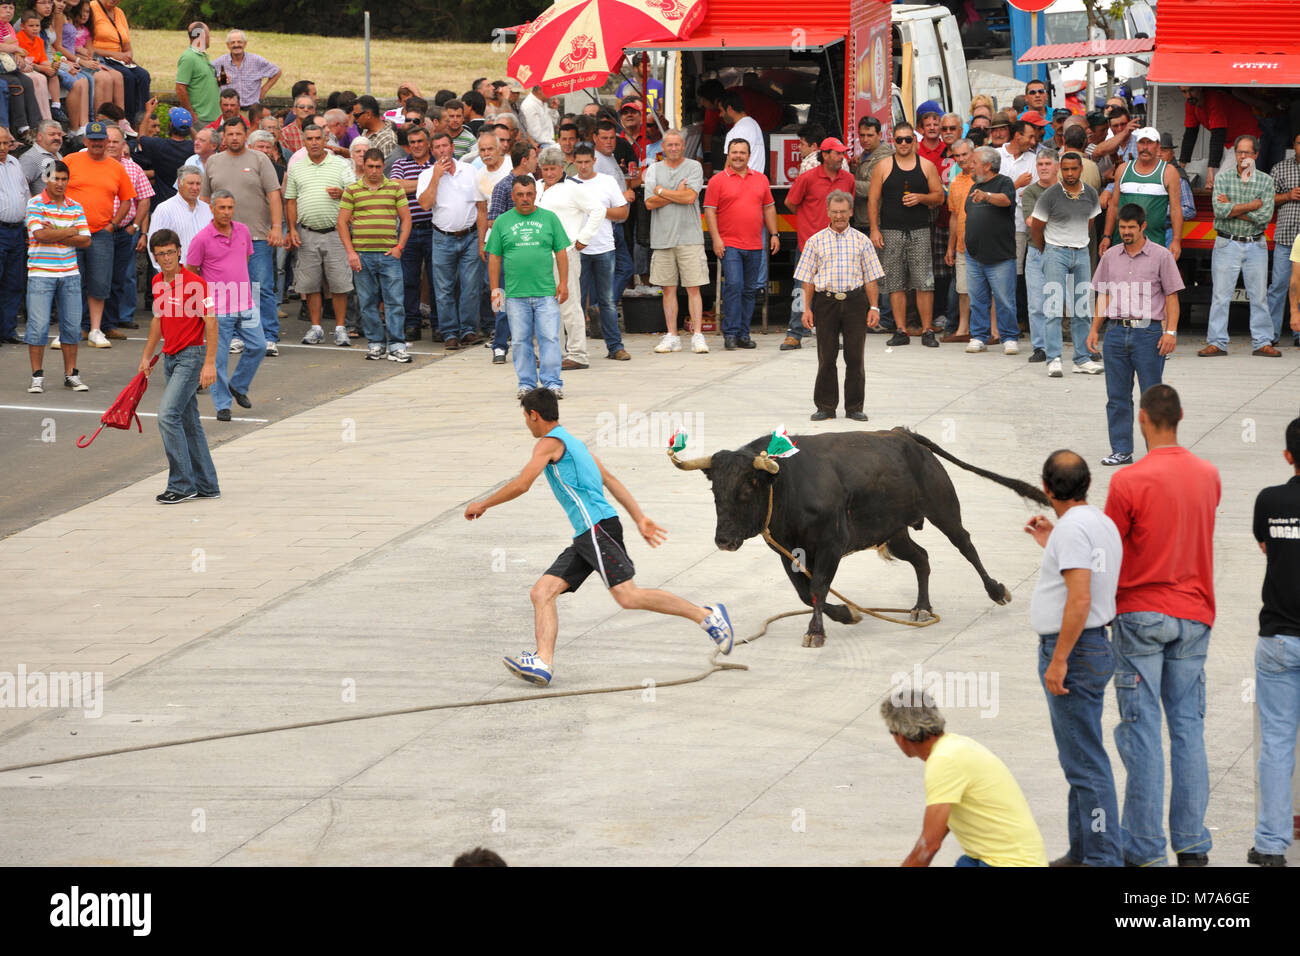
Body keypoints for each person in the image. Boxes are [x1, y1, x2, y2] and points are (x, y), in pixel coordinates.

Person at [463, 387, 734, 687]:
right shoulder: (576, 444)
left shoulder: (549, 443)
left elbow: (523, 483)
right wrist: (639, 518)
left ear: (534, 415)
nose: (526, 423)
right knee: (542, 592)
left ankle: (707, 616)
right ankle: (543, 662)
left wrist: (484, 503)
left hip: (597, 530)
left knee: (629, 596)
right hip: (590, 532)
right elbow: (611, 481)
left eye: (526, 418)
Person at [1102, 384, 1219, 867]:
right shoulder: (1208, 476)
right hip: (1194, 614)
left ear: (1143, 419)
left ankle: (1145, 849)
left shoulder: (1128, 482)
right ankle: (1191, 843)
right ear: (1182, 416)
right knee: (1187, 728)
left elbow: (1108, 553)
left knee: (1142, 729)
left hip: (1140, 614)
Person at [1023, 450, 1123, 867]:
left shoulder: (1072, 531)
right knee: (1079, 758)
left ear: (1046, 489)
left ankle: (1101, 857)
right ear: (1089, 483)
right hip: (1094, 647)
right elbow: (1087, 578)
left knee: (1086, 764)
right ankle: (1082, 850)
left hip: (1076, 651)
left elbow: (1080, 599)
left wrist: (1059, 659)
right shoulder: (1097, 524)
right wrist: (1052, 544)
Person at [882, 690, 1047, 866]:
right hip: (992, 858)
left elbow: (929, 845)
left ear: (900, 736)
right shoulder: (956, 745)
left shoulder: (943, 761)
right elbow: (941, 826)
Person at [1086, 204, 1183, 467]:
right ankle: (1121, 450)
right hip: (1116, 333)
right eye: (1122, 227)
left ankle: (1157, 451)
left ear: (1142, 227)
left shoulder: (1161, 256)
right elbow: (1103, 295)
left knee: (1152, 398)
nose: (1126, 232)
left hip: (1149, 334)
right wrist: (1094, 329)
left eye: (1131, 227)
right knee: (1117, 397)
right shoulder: (1110, 256)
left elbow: (1171, 296)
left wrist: (1170, 332)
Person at [1249, 417, 1300, 867]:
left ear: (1288, 456)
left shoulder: (1271, 500)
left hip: (1280, 639)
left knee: (1278, 742)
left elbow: (1267, 547)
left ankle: (1270, 845)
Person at [141, 227, 218, 502]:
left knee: (167, 415)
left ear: (179, 251)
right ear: (155, 257)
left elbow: (211, 321)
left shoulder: (196, 283)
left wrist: (209, 364)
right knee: (189, 422)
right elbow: (158, 320)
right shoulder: (157, 282)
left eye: (170, 252)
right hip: (170, 358)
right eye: (161, 254)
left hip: (191, 357)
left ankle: (182, 485)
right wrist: (146, 356)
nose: (167, 258)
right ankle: (207, 485)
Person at [793, 190, 883, 422]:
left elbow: (870, 277)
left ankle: (854, 407)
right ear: (828, 212)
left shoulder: (862, 241)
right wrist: (807, 308)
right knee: (826, 356)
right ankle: (825, 406)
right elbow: (807, 278)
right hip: (826, 302)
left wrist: (874, 307)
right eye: (835, 212)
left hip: (854, 301)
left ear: (851, 212)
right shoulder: (815, 241)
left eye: (843, 212)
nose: (839, 216)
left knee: (855, 357)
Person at [202, 115, 284, 356]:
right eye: (230, 134)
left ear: (246, 135)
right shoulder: (214, 162)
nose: (235, 138)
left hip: (257, 236)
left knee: (261, 287)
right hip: (222, 240)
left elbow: (274, 195)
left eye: (239, 134)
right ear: (223, 137)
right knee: (229, 289)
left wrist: (277, 227)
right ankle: (235, 335)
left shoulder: (260, 159)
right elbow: (206, 199)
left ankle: (267, 336)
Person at [485, 174, 568, 399]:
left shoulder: (549, 218)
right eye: (520, 194)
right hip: (515, 295)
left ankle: (552, 383)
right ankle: (527, 384)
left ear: (536, 194)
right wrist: (495, 290)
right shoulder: (502, 221)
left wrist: (564, 283)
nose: (525, 199)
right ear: (512, 196)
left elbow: (561, 252)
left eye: (529, 194)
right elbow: (494, 257)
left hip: (545, 293)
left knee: (550, 338)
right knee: (521, 341)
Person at [187, 188, 261, 423]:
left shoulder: (243, 231)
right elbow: (191, 272)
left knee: (259, 346)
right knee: (218, 359)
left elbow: (246, 259)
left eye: (230, 207)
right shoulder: (201, 239)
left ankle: (238, 385)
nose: (227, 212)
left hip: (245, 301)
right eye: (222, 207)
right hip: (218, 307)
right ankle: (222, 405)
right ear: (212, 209)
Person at [1199, 135, 1277, 358]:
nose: (1243, 157)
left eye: (1247, 152)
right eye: (1239, 152)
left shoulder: (1265, 181)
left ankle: (1262, 342)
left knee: (1259, 295)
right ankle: (1216, 342)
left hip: (1256, 244)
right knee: (1220, 296)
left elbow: (1265, 217)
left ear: (1256, 155)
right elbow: (1220, 212)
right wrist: (1252, 205)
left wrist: (1234, 208)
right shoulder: (1223, 179)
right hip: (1227, 242)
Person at [868, 122, 944, 348]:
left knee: (924, 283)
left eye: (907, 139)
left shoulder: (927, 166)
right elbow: (873, 199)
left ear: (914, 141)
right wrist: (874, 229)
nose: (903, 143)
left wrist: (921, 198)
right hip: (890, 231)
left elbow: (939, 196)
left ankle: (927, 329)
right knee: (895, 283)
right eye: (899, 139)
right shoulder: (883, 166)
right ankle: (901, 330)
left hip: (920, 230)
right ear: (893, 141)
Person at [1030, 150, 1102, 378]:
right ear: (1061, 169)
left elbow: (1090, 222)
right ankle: (1054, 358)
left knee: (1082, 308)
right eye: (1066, 169)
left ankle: (1081, 359)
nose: (1070, 173)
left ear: (1081, 169)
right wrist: (1048, 250)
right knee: (1052, 308)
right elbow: (1036, 228)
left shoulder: (1091, 193)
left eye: (1074, 168)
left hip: (1080, 252)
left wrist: (1077, 240)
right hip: (1055, 251)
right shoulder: (1050, 195)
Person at [704, 138, 779, 352]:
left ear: (749, 155)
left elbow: (769, 209)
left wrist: (774, 234)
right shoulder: (717, 180)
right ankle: (730, 333)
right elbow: (710, 211)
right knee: (734, 286)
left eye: (742, 152)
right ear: (728, 154)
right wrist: (716, 239)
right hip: (730, 245)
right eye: (734, 152)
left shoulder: (761, 179)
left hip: (756, 245)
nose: (738, 156)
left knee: (749, 290)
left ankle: (743, 335)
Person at [284, 123, 355, 347]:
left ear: (325, 140)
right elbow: (291, 200)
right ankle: (316, 328)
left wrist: (343, 193)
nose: (314, 142)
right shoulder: (297, 167)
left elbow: (355, 194)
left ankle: (341, 328)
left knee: (339, 283)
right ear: (303, 142)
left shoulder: (340, 164)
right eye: (309, 139)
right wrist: (292, 229)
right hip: (307, 233)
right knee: (310, 284)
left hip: (336, 233)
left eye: (318, 138)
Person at [783, 136, 856, 350]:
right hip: (809, 242)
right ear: (824, 155)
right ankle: (794, 333)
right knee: (802, 288)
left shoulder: (848, 179)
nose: (842, 157)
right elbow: (790, 202)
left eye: (843, 153)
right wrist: (809, 221)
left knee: (835, 289)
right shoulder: (807, 178)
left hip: (837, 243)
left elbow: (848, 208)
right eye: (837, 153)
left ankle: (831, 335)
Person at [338, 147, 410, 363]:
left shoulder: (394, 188)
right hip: (362, 255)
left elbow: (406, 219)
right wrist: (351, 252)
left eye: (378, 167)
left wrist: (400, 247)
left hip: (389, 254)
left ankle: (397, 344)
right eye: (370, 166)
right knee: (367, 302)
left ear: (382, 167)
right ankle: (376, 344)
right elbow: (341, 222)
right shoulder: (352, 190)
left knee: (395, 301)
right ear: (364, 165)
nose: (374, 171)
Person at [63, 119, 132, 347]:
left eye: (100, 139)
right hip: (72, 232)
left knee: (100, 283)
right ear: (85, 141)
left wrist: (112, 224)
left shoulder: (116, 167)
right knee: (71, 281)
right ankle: (71, 328)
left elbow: (126, 200)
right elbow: (50, 186)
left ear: (105, 141)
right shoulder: (70, 160)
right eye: (92, 139)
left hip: (101, 233)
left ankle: (94, 330)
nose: (96, 143)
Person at [535, 146, 603, 372]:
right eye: (545, 169)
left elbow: (598, 209)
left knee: (570, 305)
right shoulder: (536, 188)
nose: (549, 173)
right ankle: (555, 353)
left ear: (562, 167)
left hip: (566, 252)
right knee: (547, 306)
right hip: (541, 255)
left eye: (553, 168)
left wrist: (584, 238)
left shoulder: (573, 188)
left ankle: (578, 354)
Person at [23, 159, 89, 390]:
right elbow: (39, 235)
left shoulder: (75, 206)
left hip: (70, 273)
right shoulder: (35, 203)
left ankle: (71, 374)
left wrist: (57, 232)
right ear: (46, 179)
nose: (60, 183)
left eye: (64, 179)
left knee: (71, 326)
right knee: (38, 326)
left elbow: (86, 240)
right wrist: (70, 231)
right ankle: (37, 377)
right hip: (40, 273)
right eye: (56, 178)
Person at [417, 129, 482, 350]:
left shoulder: (470, 170)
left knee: (470, 286)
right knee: (443, 288)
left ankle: (468, 330)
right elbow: (425, 204)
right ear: (432, 151)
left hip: (470, 235)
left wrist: (482, 239)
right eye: (437, 147)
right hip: (442, 237)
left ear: (452, 148)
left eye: (445, 146)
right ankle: (449, 333)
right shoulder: (426, 175)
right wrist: (436, 177)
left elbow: (480, 205)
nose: (442, 151)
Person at [644, 129, 709, 353]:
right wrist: (675, 193)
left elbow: (691, 197)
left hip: (690, 237)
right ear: (663, 146)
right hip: (662, 239)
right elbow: (649, 203)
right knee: (668, 289)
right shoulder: (653, 169)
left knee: (694, 288)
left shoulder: (694, 167)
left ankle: (698, 334)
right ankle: (672, 335)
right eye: (669, 145)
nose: (673, 148)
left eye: (677, 144)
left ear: (683, 146)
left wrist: (662, 191)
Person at [570, 142, 630, 362]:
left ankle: (615, 347)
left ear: (594, 161)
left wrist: (599, 212)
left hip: (604, 247)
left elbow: (623, 212)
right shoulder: (569, 184)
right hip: (577, 249)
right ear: (573, 162)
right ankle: (574, 350)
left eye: (587, 161)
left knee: (607, 301)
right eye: (580, 162)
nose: (584, 166)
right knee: (575, 301)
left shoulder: (607, 181)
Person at [962, 147, 1020, 355]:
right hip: (974, 254)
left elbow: (1006, 201)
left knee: (1005, 300)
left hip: (1000, 256)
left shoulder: (1004, 182)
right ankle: (978, 336)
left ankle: (1009, 337)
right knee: (977, 299)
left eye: (975, 162)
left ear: (987, 165)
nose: (971, 165)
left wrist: (986, 196)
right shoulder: (974, 185)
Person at [1101, 127, 1183, 259]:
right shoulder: (1123, 169)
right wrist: (1106, 236)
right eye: (1142, 142)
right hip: (1122, 244)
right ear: (1136, 145)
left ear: (1158, 146)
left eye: (1149, 143)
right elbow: (1114, 206)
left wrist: (1176, 240)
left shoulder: (1169, 172)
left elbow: (1175, 209)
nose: (1145, 147)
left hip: (1154, 245)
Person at [388, 123, 433, 342]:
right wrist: (429, 181)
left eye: (420, 142)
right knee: (409, 280)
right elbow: (396, 185)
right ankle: (412, 324)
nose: (416, 146)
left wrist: (412, 184)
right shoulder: (400, 163)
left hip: (434, 229)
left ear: (428, 143)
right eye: (412, 142)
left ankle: (439, 325)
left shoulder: (437, 163)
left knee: (437, 280)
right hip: (409, 229)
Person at [102, 124, 149, 334]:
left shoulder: (133, 168)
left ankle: (119, 318)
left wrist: (137, 227)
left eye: (116, 142)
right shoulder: (90, 163)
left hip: (124, 231)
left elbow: (145, 199)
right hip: (97, 232)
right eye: (108, 141)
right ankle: (94, 322)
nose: (111, 145)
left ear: (123, 145)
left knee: (123, 277)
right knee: (97, 277)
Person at [1179, 86, 1260, 191]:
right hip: (1228, 143)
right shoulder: (1191, 103)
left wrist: (1210, 171)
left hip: (1247, 139)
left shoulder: (1213, 98)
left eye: (1191, 90)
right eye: (1184, 92)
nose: (1188, 95)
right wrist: (1180, 168)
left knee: (1220, 181)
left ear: (1199, 88)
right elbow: (1190, 134)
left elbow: (1217, 135)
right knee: (1225, 182)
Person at [1267, 130, 1300, 349]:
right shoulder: (1280, 168)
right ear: (1294, 145)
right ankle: (1271, 335)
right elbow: (1266, 199)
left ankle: (1299, 334)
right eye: (1299, 143)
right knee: (1278, 286)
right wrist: (1288, 196)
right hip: (1286, 236)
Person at [87, 0, 148, 118]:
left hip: (119, 59)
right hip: (101, 57)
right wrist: (114, 54)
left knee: (143, 76)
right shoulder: (92, 8)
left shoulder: (119, 12)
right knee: (127, 77)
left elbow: (126, 44)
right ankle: (127, 119)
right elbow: (87, 45)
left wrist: (129, 54)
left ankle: (142, 119)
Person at [942, 138, 975, 343]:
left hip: (982, 243)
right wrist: (950, 247)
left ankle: (990, 330)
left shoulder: (983, 178)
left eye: (965, 154)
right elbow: (953, 216)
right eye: (957, 156)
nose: (962, 159)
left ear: (973, 153)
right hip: (962, 244)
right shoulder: (955, 182)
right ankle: (963, 329)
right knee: (963, 289)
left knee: (986, 290)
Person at [146, 164, 209, 268]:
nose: (195, 188)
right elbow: (154, 245)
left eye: (198, 184)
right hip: (178, 275)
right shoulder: (164, 210)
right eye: (190, 183)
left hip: (207, 274)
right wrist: (166, 274)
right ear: (179, 183)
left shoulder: (207, 210)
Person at [209, 29, 279, 108]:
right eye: (233, 42)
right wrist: (218, 82)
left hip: (251, 110)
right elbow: (206, 83)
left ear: (245, 44)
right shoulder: (218, 63)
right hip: (229, 110)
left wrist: (263, 91)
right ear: (228, 45)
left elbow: (277, 71)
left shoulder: (256, 61)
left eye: (239, 42)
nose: (236, 45)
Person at [0, 125, 24, 345]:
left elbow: (24, 193)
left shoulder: (15, 163)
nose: (3, 147)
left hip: (17, 230)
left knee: (13, 282)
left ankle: (8, 331)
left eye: (6, 143)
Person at [173, 20, 218, 128]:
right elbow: (180, 88)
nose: (209, 39)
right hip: (201, 119)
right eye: (208, 35)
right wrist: (191, 114)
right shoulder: (188, 58)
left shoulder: (204, 56)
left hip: (214, 117)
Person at [852, 115, 891, 232]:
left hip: (875, 223)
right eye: (862, 135)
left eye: (870, 135)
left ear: (879, 135)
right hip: (863, 220)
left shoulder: (884, 157)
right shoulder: (866, 154)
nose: (865, 139)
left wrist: (844, 181)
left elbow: (872, 188)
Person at [720, 91, 764, 174]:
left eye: (721, 111)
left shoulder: (736, 131)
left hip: (741, 182)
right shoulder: (753, 124)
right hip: (756, 180)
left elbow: (729, 166)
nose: (720, 115)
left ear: (729, 109)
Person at [518, 85, 552, 150]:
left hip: (548, 141)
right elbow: (535, 134)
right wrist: (553, 144)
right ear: (540, 90)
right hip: (540, 145)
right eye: (550, 90)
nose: (552, 93)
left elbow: (551, 124)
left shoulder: (543, 102)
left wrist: (553, 110)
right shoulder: (529, 105)